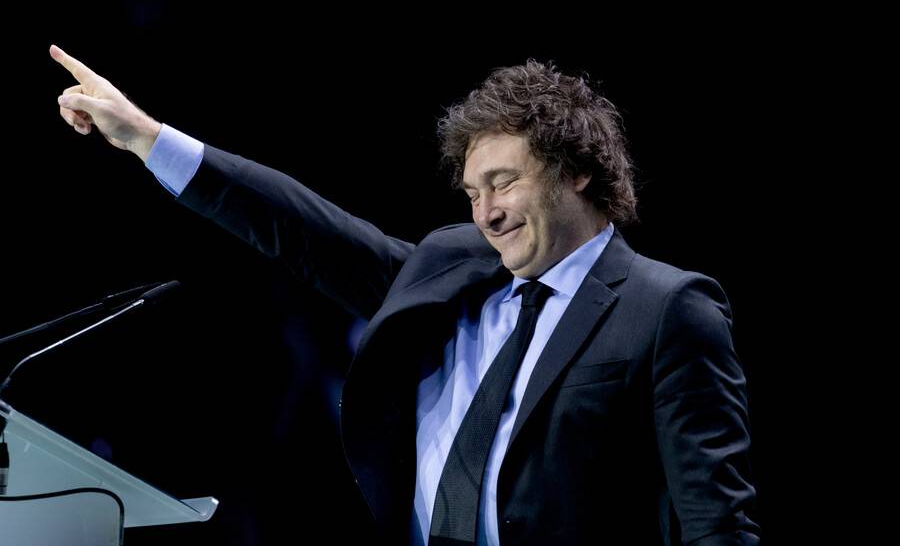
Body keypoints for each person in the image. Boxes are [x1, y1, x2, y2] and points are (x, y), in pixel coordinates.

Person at [51, 45, 760, 545]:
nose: (486, 213)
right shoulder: (453, 273)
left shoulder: (667, 308)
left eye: (504, 183)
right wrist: (148, 139)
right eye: (473, 192)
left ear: (577, 171)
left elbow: (716, 523)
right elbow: (302, 229)